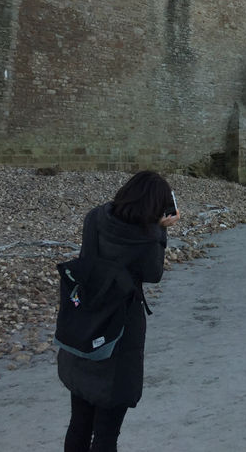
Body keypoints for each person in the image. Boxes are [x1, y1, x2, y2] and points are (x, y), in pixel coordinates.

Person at [58, 170, 180, 452]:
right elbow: (153, 274)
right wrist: (160, 231)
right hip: (121, 328)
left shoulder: (95, 217)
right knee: (106, 433)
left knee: (79, 422)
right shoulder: (149, 236)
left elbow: (88, 261)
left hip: (86, 319)